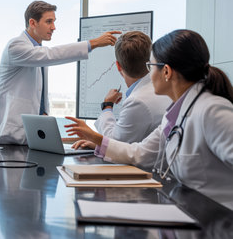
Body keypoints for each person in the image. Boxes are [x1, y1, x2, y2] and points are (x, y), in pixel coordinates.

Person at [65, 29, 233, 209]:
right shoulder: (176, 115)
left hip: (218, 224)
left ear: (166, 71)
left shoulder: (211, 111)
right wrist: (95, 138)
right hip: (189, 214)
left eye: (150, 67)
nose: (148, 74)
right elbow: (139, 153)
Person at [0, 0, 121, 145]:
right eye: (49, 22)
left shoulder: (37, 49)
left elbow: (38, 90)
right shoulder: (16, 46)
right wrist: (94, 43)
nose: (54, 27)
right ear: (33, 23)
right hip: (1, 132)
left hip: (23, 133)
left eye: (54, 21)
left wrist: (44, 114)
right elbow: (52, 54)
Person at [73, 31, 171, 149]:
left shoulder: (138, 101)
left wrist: (107, 106)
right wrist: (97, 146)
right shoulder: (163, 89)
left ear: (118, 66)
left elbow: (114, 143)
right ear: (150, 60)